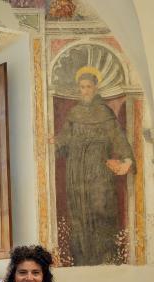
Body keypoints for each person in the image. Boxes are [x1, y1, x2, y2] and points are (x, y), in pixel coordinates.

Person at [51, 70, 134, 265]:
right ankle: (82, 258)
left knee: (101, 209)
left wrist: (128, 159)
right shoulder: (74, 113)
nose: (85, 90)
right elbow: (64, 140)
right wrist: (55, 142)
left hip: (98, 169)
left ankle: (104, 257)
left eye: (88, 86)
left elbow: (118, 137)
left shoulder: (104, 112)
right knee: (79, 212)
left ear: (95, 88)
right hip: (76, 171)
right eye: (82, 87)